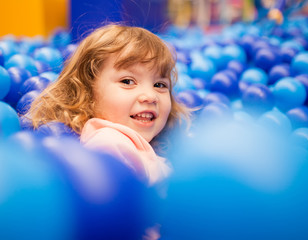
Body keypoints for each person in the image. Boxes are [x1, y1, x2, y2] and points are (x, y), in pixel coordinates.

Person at [27, 24, 191, 186]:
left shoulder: (138, 145)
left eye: (160, 85)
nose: (150, 96)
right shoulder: (110, 145)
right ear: (87, 91)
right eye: (128, 81)